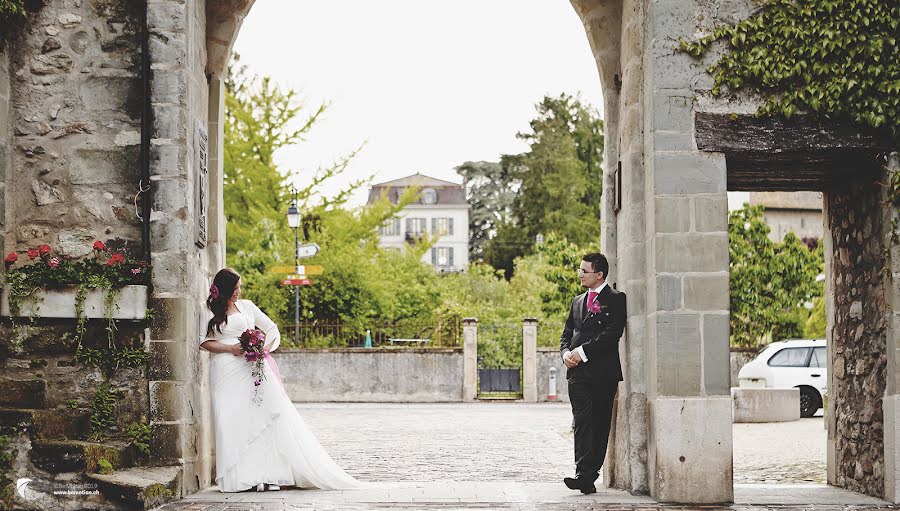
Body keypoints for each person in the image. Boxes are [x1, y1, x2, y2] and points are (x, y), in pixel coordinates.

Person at [200, 268, 360, 492]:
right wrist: (230, 348)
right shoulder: (209, 310)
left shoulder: (247, 306)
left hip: (252, 370)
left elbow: (272, 329)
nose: (238, 292)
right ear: (224, 289)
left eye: (239, 288)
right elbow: (204, 342)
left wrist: (262, 351)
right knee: (231, 421)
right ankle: (240, 477)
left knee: (263, 419)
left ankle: (269, 474)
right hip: (225, 370)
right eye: (235, 288)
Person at [558, 253, 626, 494]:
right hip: (577, 374)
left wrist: (582, 352)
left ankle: (589, 475)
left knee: (599, 422)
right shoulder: (577, 301)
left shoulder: (617, 299)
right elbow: (567, 333)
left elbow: (612, 333)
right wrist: (566, 353)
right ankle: (582, 473)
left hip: (603, 373)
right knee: (582, 421)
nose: (580, 274)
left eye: (584, 271)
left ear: (599, 274)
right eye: (580, 270)